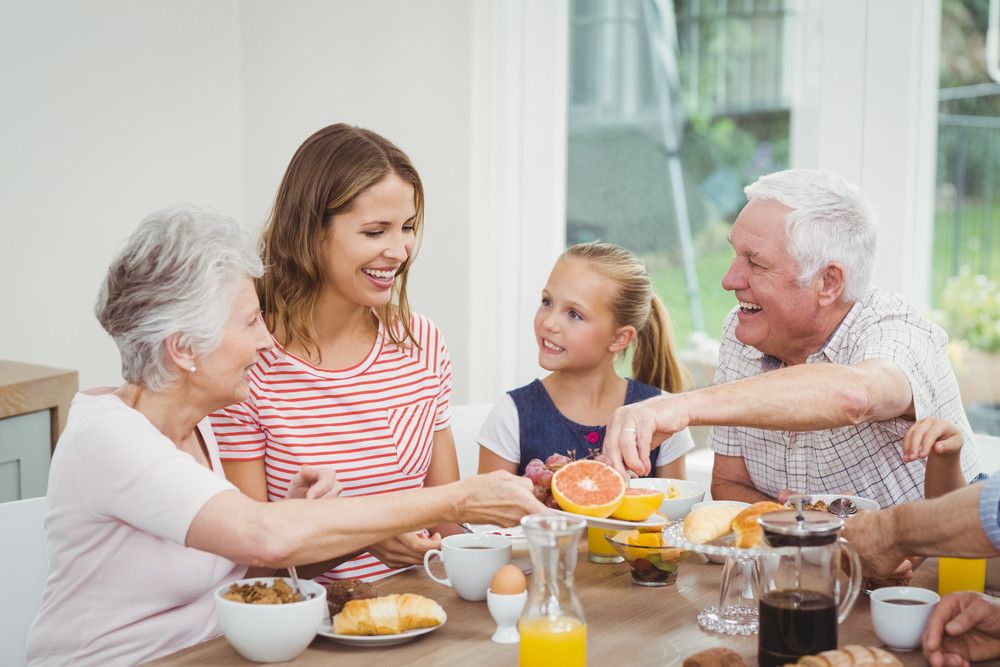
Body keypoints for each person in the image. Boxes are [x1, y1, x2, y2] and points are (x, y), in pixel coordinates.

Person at [25, 206, 544, 667]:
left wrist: (304, 517)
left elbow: (252, 565)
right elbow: (263, 536)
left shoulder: (197, 423)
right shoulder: (109, 438)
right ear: (184, 349)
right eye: (251, 322)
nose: (266, 339)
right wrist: (456, 498)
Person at [601, 169, 982, 508]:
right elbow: (729, 484)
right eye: (735, 255)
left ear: (828, 282)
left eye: (756, 262)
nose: (729, 280)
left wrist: (682, 407)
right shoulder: (747, 332)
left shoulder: (896, 330)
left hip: (943, 565)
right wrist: (800, 525)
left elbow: (856, 395)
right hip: (823, 566)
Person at [211, 124, 461, 583]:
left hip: (424, 614)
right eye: (374, 231)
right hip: (309, 629)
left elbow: (448, 519)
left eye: (407, 228)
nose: (398, 250)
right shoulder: (248, 365)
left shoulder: (422, 344)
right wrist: (364, 537)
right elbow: (251, 566)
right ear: (310, 232)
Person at [477, 242, 694, 479]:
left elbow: (676, 511)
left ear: (620, 338)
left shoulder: (662, 416)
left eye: (574, 314)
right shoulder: (511, 415)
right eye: (547, 302)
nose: (549, 323)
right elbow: (487, 514)